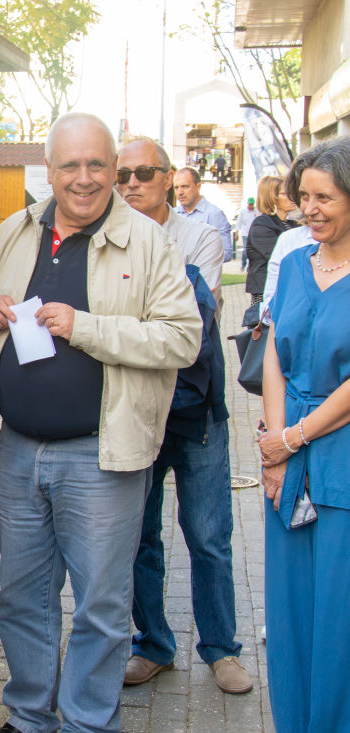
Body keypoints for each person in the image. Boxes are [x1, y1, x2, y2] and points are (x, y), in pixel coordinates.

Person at [0, 113, 201, 733]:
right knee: (21, 598)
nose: (84, 178)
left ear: (113, 169)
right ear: (49, 170)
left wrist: (87, 327)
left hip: (101, 456)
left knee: (100, 606)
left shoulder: (148, 241)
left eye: (97, 164)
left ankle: (87, 723)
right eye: (69, 165)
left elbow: (183, 339)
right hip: (16, 452)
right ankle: (28, 718)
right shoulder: (15, 231)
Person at [115, 138, 252, 695]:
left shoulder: (199, 234)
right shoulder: (107, 232)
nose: (131, 182)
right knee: (139, 538)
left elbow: (184, 328)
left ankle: (221, 650)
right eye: (122, 172)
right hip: (135, 411)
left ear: (169, 177)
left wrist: (121, 318)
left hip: (194, 413)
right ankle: (153, 645)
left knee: (209, 535)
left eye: (144, 172)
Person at [258, 136, 350, 733]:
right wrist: (272, 446)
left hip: (339, 451)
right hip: (286, 451)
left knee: (338, 614)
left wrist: (294, 438)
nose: (309, 209)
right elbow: (272, 355)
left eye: (324, 197)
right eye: (303, 197)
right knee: (289, 610)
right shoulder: (293, 264)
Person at [247, 175, 300, 306]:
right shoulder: (262, 225)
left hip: (289, 290)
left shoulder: (294, 224)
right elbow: (282, 257)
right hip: (267, 293)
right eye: (286, 193)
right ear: (272, 197)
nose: (293, 197)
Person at [174, 166, 233, 262]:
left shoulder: (214, 214)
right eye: (176, 187)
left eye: (185, 186)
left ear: (198, 186)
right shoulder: (173, 214)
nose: (180, 192)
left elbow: (226, 253)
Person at [237, 197, 257, 268]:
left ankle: (250, 266)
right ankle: (243, 263)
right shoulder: (243, 211)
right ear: (248, 204)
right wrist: (237, 232)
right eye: (250, 204)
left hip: (253, 234)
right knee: (245, 250)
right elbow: (239, 221)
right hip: (245, 233)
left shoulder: (256, 211)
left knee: (252, 251)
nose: (251, 206)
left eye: (252, 204)